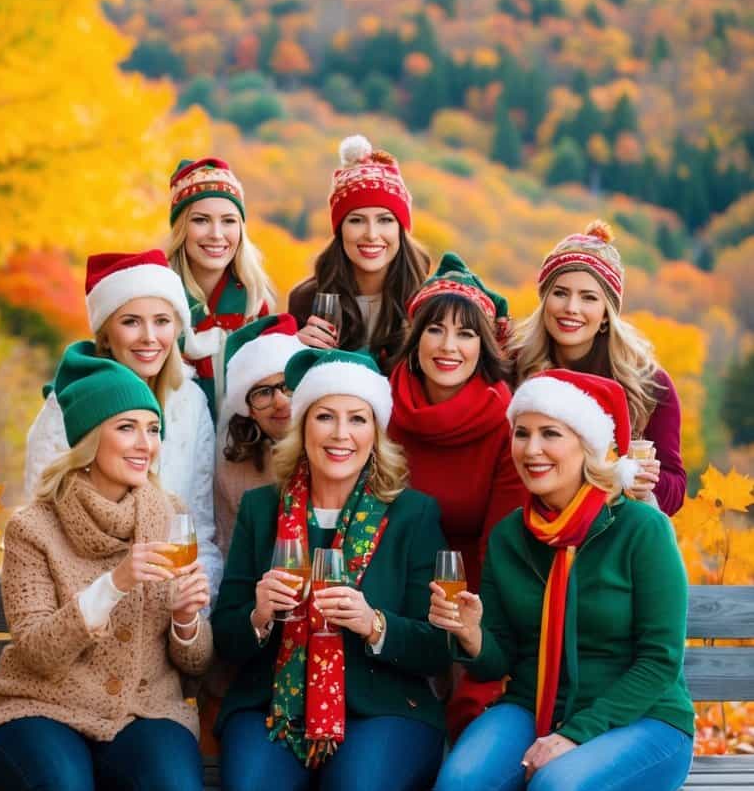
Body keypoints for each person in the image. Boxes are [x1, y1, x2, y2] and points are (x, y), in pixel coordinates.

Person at [430, 369, 694, 791]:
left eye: (551, 433)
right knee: (458, 788)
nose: (532, 449)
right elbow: (500, 663)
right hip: (535, 704)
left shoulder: (641, 531)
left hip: (645, 721)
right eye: (521, 434)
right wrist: (474, 638)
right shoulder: (509, 536)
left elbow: (659, 661)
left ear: (587, 444)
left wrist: (576, 734)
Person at [211, 348, 450, 791]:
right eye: (325, 416)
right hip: (273, 703)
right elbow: (225, 634)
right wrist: (260, 615)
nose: (340, 434)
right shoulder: (264, 510)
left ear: (377, 433)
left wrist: (375, 624)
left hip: (387, 707)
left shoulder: (413, 515)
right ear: (302, 426)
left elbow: (437, 647)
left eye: (357, 418)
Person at [0, 344, 213, 791]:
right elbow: (35, 649)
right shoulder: (35, 527)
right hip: (40, 708)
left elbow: (192, 661)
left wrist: (187, 619)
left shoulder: (169, 514)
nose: (144, 443)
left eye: (152, 428)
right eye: (126, 427)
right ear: (89, 440)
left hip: (141, 711)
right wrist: (114, 584)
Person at [24, 249, 222, 603]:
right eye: (131, 322)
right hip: (87, 604)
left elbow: (200, 530)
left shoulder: (190, 403)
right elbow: (40, 523)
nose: (149, 337)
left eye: (162, 321)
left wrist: (193, 613)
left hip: (171, 608)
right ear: (105, 334)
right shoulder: (68, 404)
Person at [511, 220, 686, 515]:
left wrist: (646, 482)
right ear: (544, 300)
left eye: (589, 297)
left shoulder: (648, 384)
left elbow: (675, 487)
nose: (571, 308)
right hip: (530, 528)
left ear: (606, 314)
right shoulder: (515, 368)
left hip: (611, 536)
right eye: (560, 293)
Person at [390, 252, 524, 591]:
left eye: (465, 334)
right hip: (385, 594)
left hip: (468, 597)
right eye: (435, 330)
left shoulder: (506, 426)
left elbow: (500, 550)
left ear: (484, 347)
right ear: (416, 338)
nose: (448, 346)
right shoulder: (379, 408)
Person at [288, 135, 429, 373]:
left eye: (385, 220)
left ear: (401, 229)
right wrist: (293, 352)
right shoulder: (306, 299)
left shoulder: (427, 301)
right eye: (356, 220)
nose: (372, 234)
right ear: (339, 229)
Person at [167, 155, 274, 418]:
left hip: (236, 449)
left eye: (228, 221)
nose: (216, 234)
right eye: (201, 220)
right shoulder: (160, 298)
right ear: (182, 229)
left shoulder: (254, 304)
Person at [214, 313, 302, 557]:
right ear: (250, 411)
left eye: (287, 386)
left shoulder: (338, 452)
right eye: (263, 393)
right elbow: (231, 551)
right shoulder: (234, 471)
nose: (281, 402)